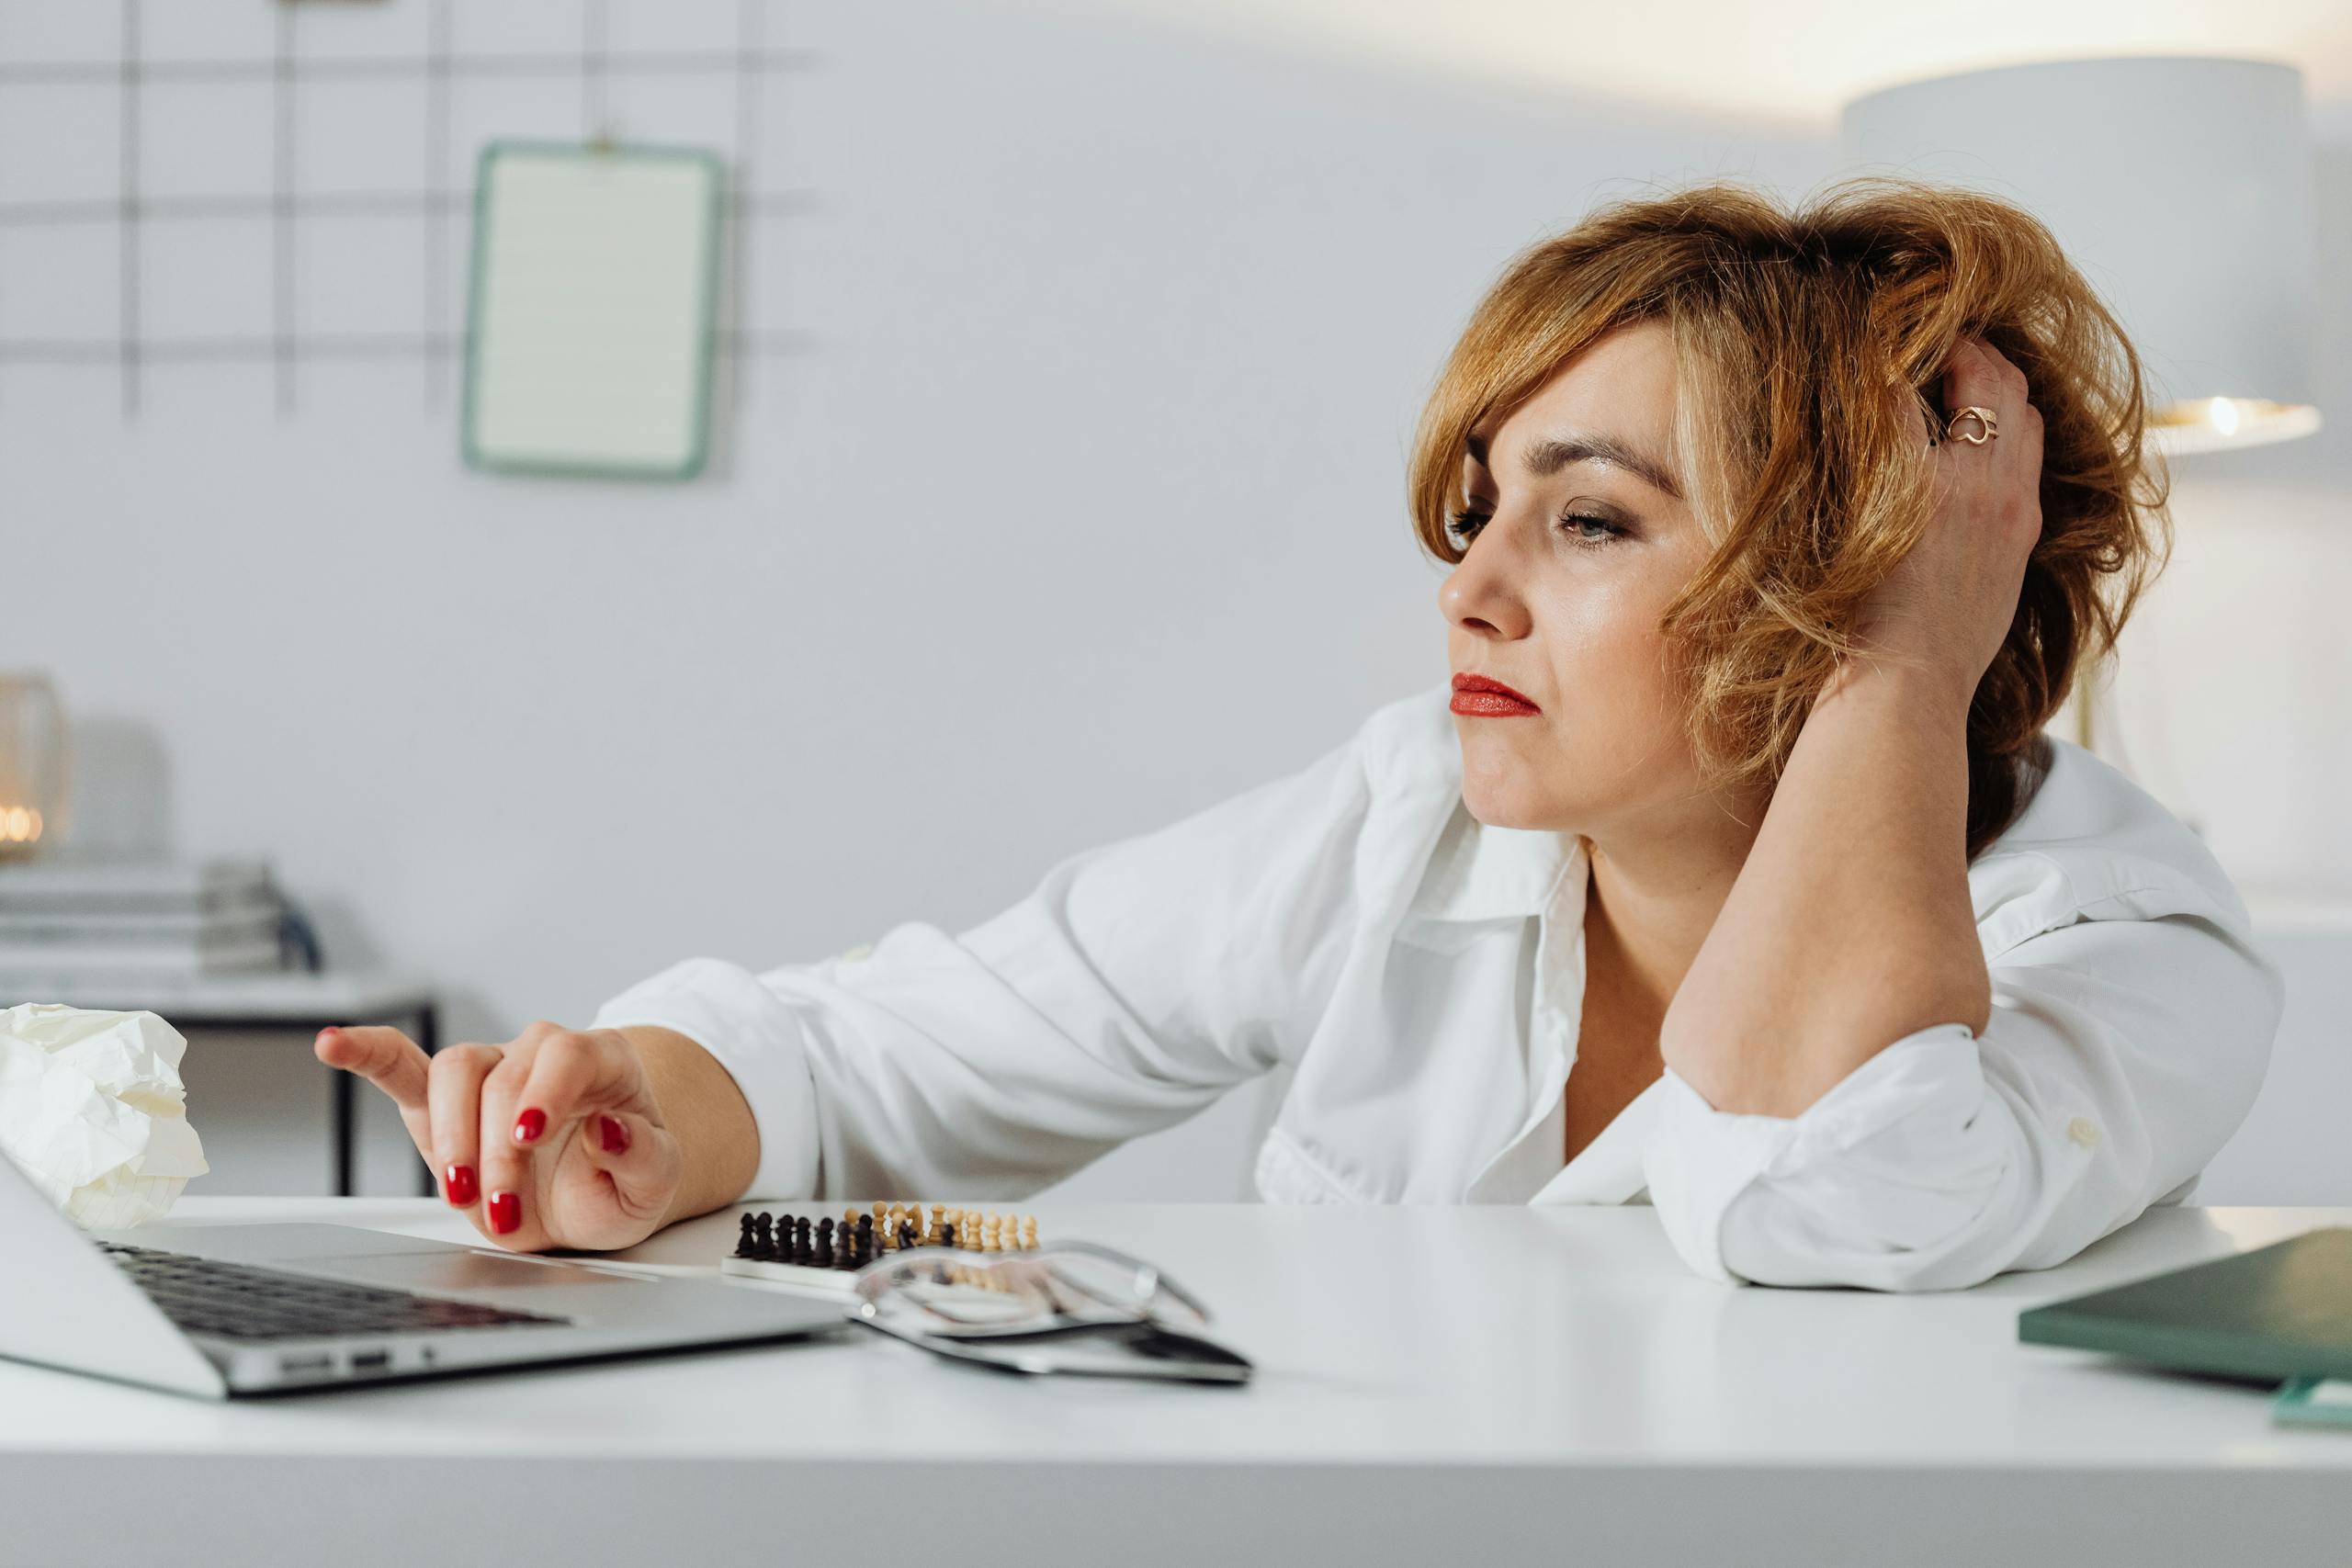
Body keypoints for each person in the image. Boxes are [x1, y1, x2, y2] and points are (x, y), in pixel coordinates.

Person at [317, 175, 2283, 1292]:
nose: (1469, 585)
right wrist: (645, 1106)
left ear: (1861, 569)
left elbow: (1833, 1191)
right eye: (1479, 506)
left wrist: (1894, 671)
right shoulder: (1413, 824)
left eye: (1587, 518)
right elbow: (892, 1043)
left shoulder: (2125, 947)